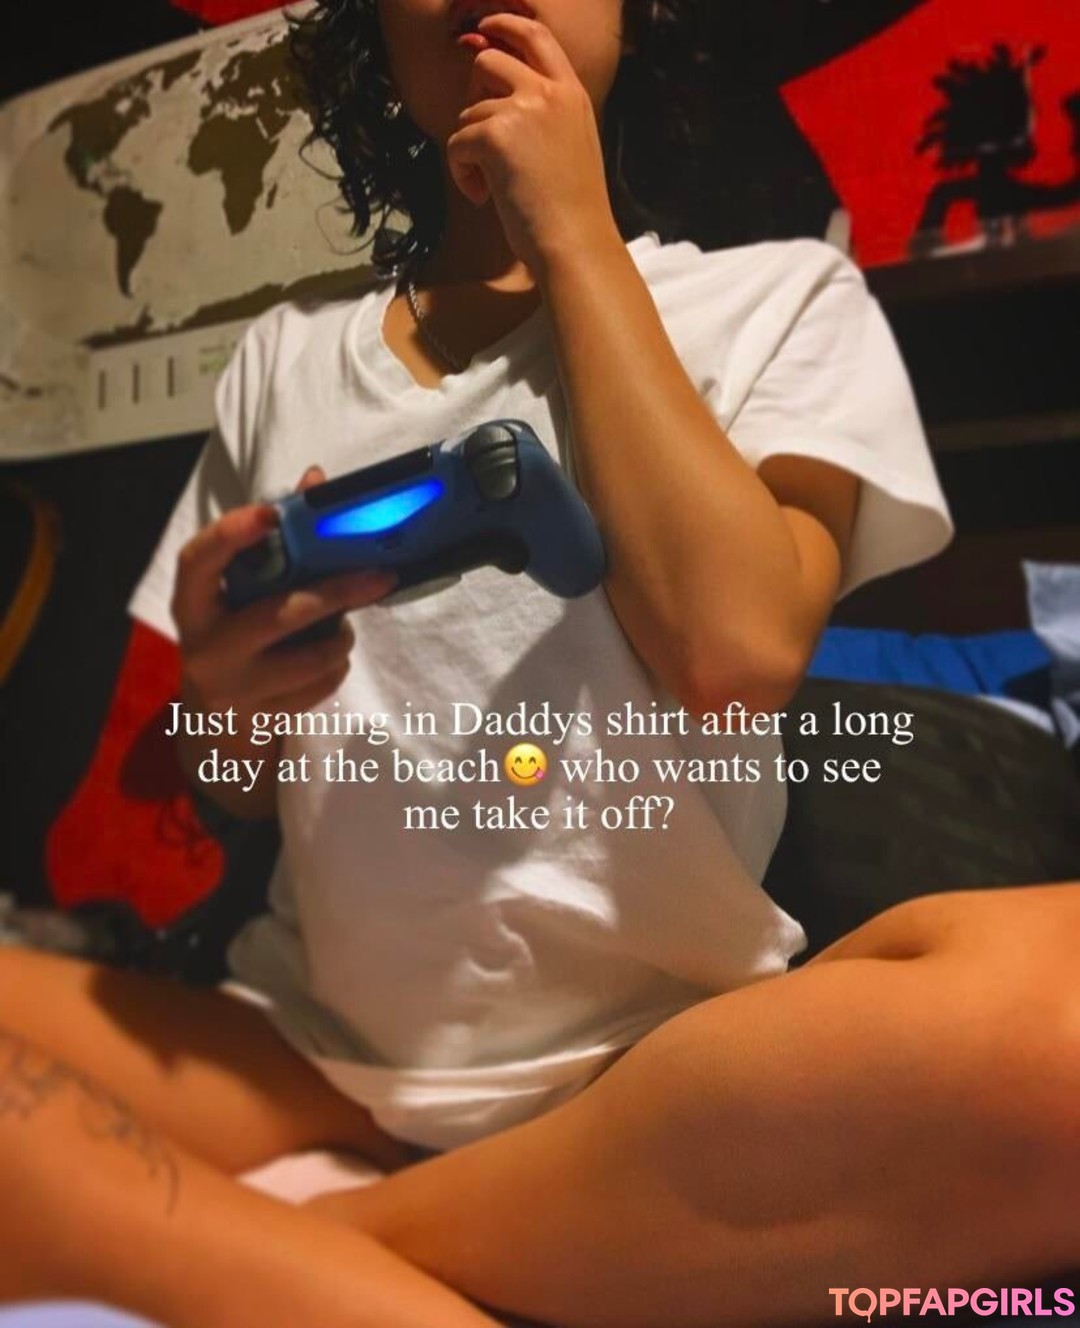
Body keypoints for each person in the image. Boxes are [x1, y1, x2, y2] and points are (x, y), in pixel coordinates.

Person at [2, 1, 1077, 1325]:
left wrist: (568, 229)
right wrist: (226, 703)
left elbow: (733, 655)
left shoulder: (784, 297)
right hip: (307, 1058)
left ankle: (295, 1246)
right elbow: (232, 789)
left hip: (650, 1084)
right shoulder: (281, 357)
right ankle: (433, 1261)